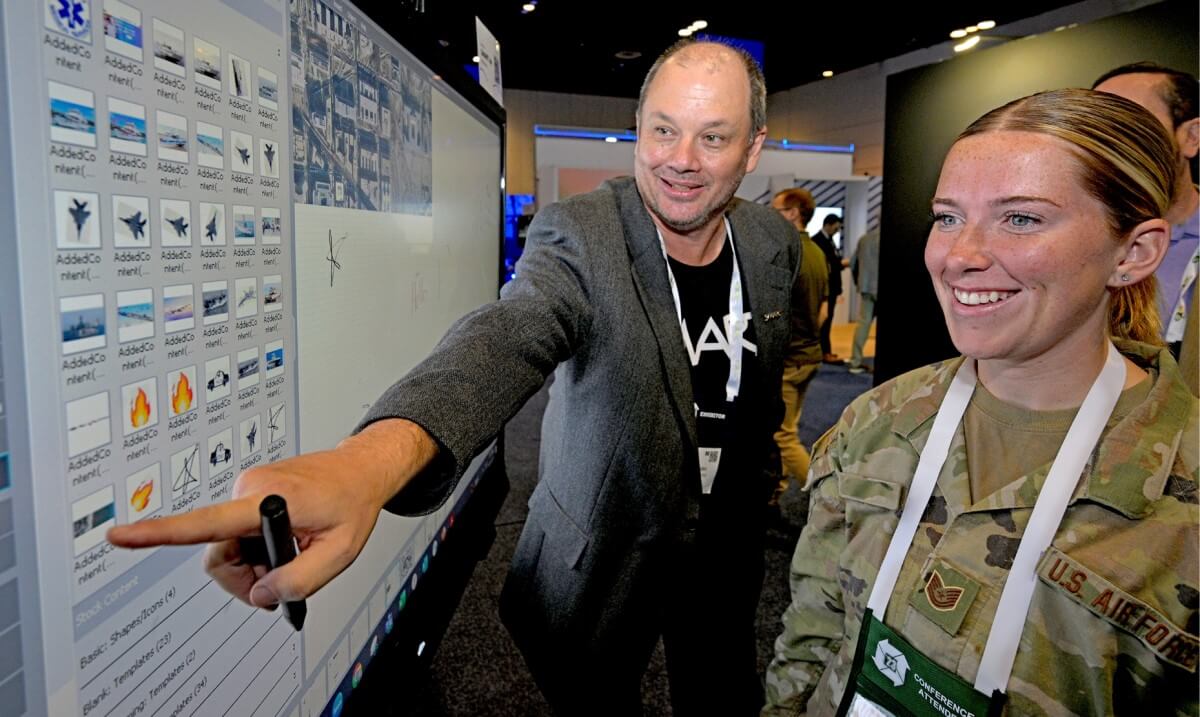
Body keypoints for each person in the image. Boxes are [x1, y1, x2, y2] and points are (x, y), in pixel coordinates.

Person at [111, 40, 800, 715]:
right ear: (639, 130)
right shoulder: (582, 234)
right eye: (663, 131)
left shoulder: (773, 243)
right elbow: (499, 342)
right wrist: (366, 465)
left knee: (722, 693)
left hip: (725, 551)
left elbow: (764, 383)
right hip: (606, 555)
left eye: (713, 138)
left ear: (753, 148)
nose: (681, 160)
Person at [763, 88, 1198, 716]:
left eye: (1020, 218)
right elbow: (812, 635)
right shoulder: (878, 421)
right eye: (947, 217)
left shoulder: (1181, 503)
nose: (959, 256)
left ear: (1133, 253)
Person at [1094, 62, 1199, 395]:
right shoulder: (1074, 246)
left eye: (1132, 125)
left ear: (1191, 137)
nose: (1109, 144)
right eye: (1096, 129)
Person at [770, 188, 829, 510]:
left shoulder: (788, 253)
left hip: (790, 360)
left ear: (793, 213)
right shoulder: (818, 252)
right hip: (810, 356)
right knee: (786, 427)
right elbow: (824, 311)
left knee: (783, 436)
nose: (770, 213)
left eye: (776, 209)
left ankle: (826, 499)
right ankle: (775, 492)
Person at [810, 213, 848, 364]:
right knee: (823, 320)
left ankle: (825, 351)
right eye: (836, 228)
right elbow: (826, 266)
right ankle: (824, 352)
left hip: (831, 289)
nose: (837, 231)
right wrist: (840, 264)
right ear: (828, 225)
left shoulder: (829, 241)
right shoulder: (817, 241)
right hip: (824, 289)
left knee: (827, 320)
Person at [847, 226, 879, 375]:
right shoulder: (895, 236)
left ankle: (855, 361)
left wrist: (859, 282)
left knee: (863, 324)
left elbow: (853, 263)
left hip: (866, 287)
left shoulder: (864, 239)